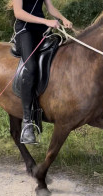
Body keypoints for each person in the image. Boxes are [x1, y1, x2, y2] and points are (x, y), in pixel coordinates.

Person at [11, 0, 72, 144]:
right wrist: (45, 21)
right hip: (24, 32)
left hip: (41, 31)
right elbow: (18, 12)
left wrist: (63, 19)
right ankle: (27, 123)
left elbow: (50, 8)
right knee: (31, 67)